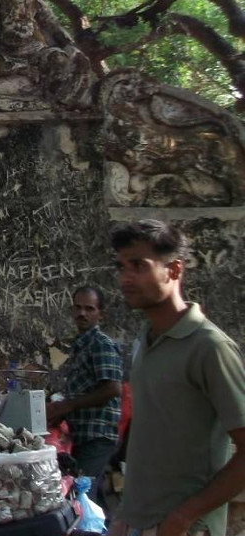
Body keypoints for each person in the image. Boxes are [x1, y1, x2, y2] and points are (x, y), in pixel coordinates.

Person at [109, 220, 245, 536]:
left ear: (174, 269)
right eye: (121, 267)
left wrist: (185, 515)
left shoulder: (209, 347)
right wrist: (126, 515)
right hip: (136, 522)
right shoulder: (145, 341)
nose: (126, 277)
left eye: (138, 265)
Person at [46, 285, 122, 501]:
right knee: (87, 496)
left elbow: (112, 388)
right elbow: (83, 390)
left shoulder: (101, 344)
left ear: (100, 314)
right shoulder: (81, 346)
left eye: (89, 309)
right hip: (81, 435)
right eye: (78, 308)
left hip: (97, 435)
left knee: (82, 496)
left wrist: (67, 406)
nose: (82, 313)